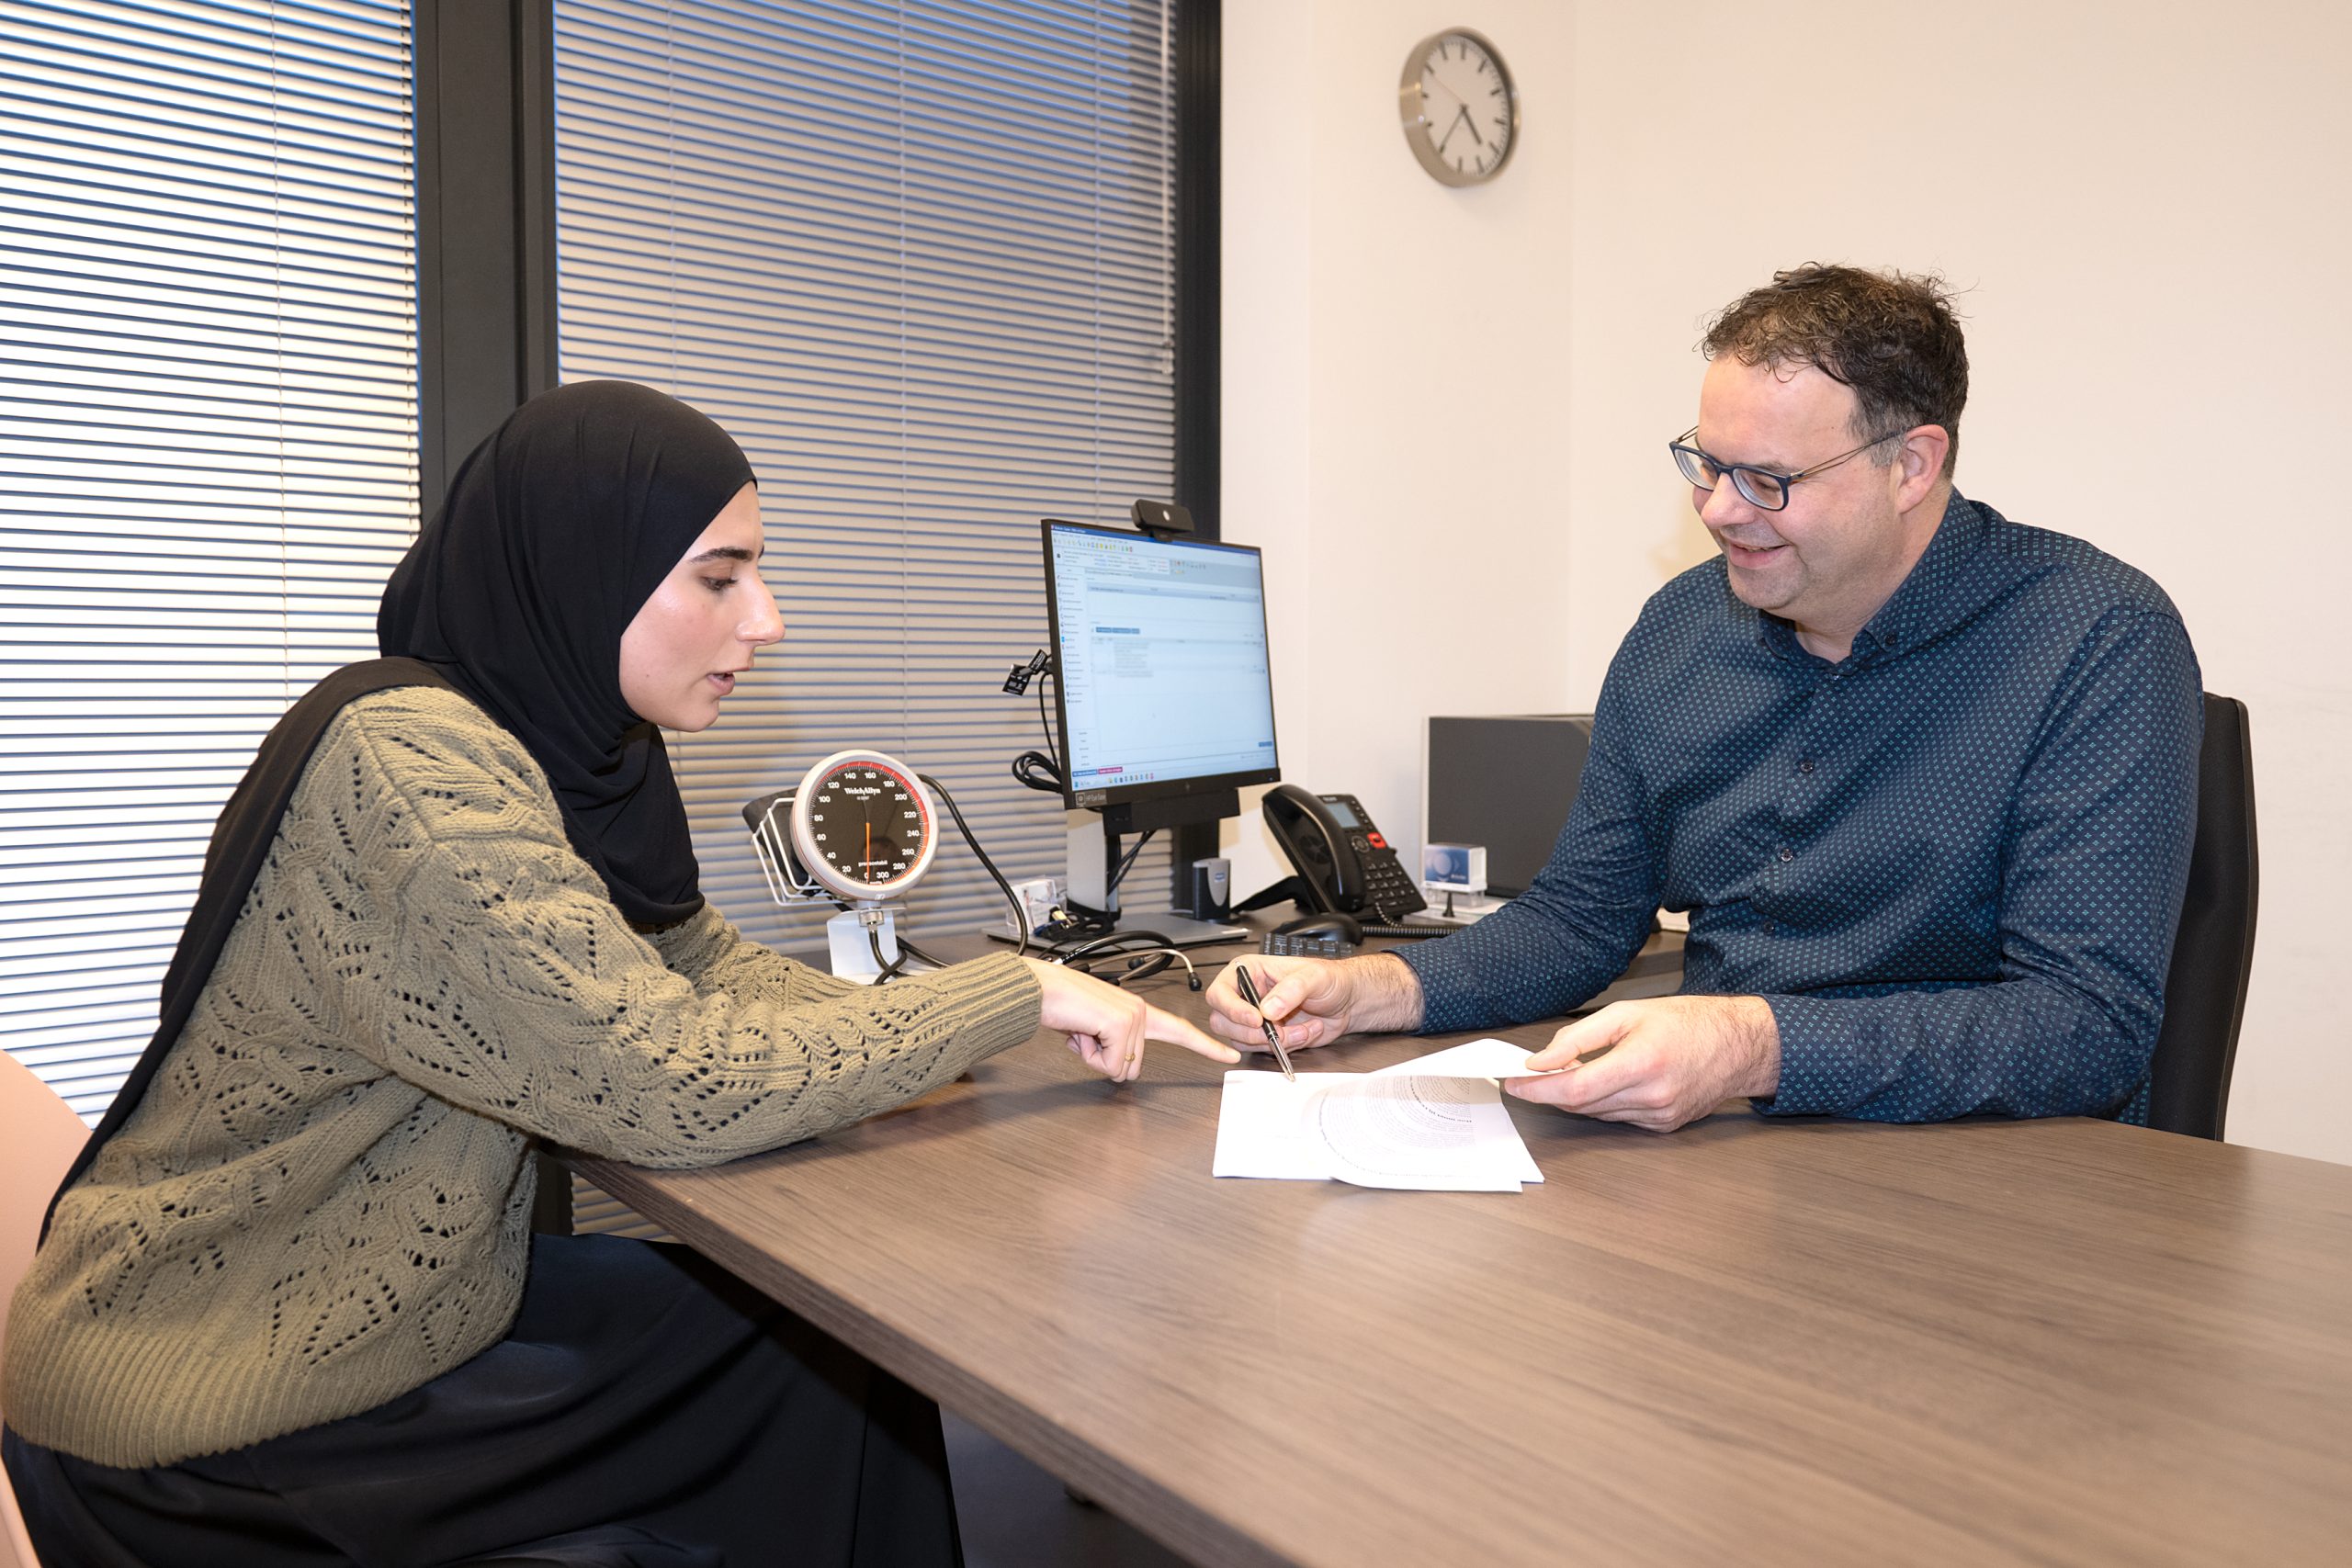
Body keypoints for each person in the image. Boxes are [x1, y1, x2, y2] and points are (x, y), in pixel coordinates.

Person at [1, 379, 1237, 1566]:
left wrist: (983, 1022)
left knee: (837, 1338)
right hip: (212, 1408)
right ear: (581, 570)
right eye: (720, 575)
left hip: (400, 1295)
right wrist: (1015, 991)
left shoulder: (556, 743)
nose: (767, 619)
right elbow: (669, 1082)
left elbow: (699, 968)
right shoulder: (412, 777)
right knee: (820, 1367)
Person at [1208, 265, 2202, 1133]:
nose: (1720, 510)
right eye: (1709, 465)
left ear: (1910, 465)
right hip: (1715, 1154)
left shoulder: (2095, 636)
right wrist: (1371, 989)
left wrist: (1748, 1044)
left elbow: (2085, 1027)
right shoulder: (1682, 627)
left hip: (1989, 1176)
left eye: (1767, 479)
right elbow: (1580, 918)